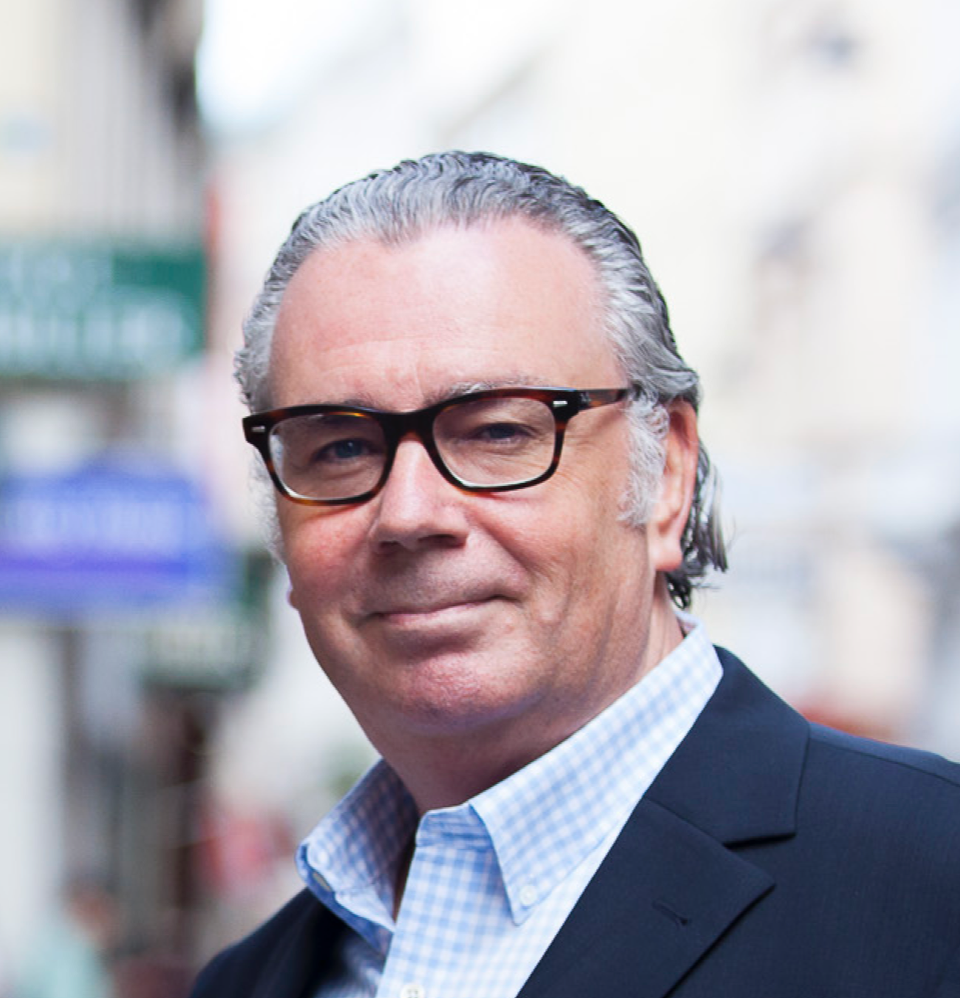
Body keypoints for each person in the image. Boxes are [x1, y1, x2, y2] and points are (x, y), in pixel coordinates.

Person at [191, 151, 960, 998]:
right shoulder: (247, 982)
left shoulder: (932, 884)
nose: (408, 513)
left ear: (665, 476)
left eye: (498, 432)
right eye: (340, 448)